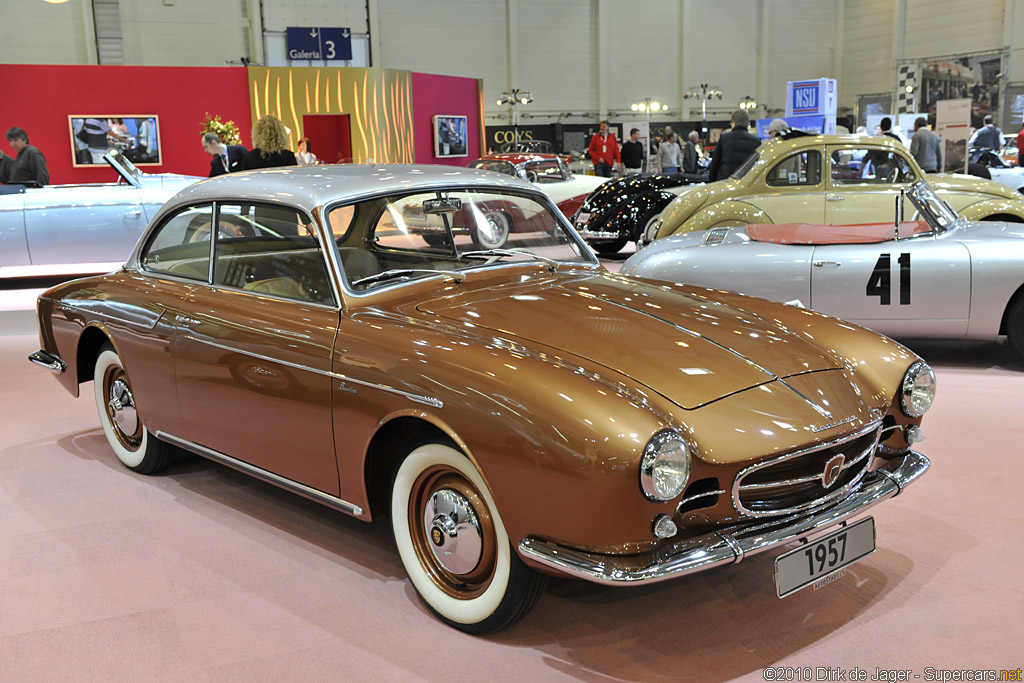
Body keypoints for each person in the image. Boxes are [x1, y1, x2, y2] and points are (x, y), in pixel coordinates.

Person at [708, 109, 760, 181]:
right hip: (746, 182)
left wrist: (712, 181)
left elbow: (715, 163)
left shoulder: (724, 138)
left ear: (734, 123)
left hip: (725, 181)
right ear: (747, 124)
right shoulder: (756, 141)